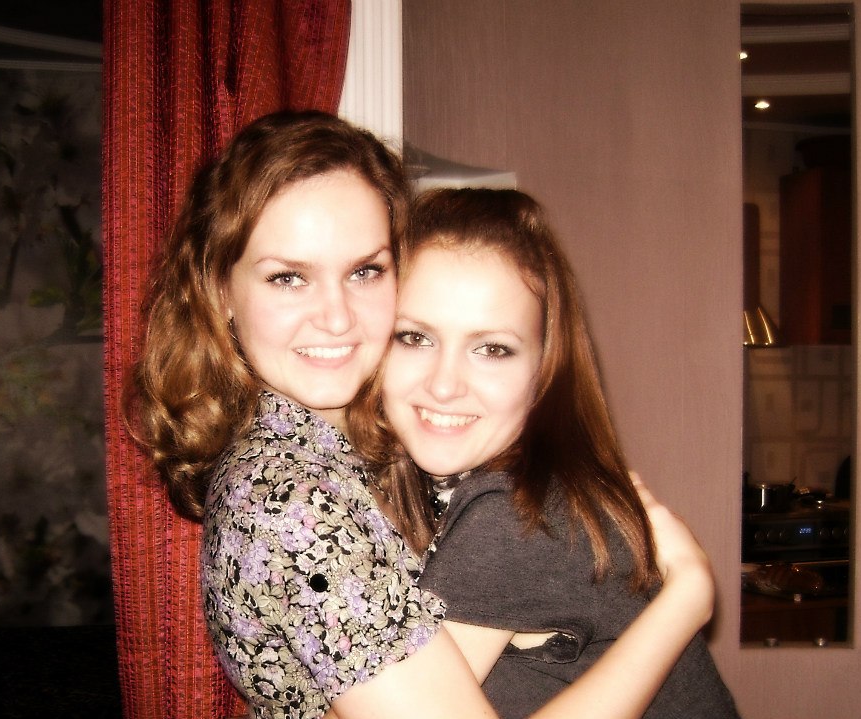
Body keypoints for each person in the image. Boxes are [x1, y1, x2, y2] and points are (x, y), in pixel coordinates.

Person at [130, 110, 718, 719]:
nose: (336, 317)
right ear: (220, 289)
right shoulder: (290, 497)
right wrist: (685, 601)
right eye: (288, 278)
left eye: (364, 271)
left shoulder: (420, 477)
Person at [361, 188, 740, 718]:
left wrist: (688, 599)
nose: (444, 385)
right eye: (415, 337)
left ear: (545, 369)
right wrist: (685, 600)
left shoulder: (513, 515)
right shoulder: (449, 494)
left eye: (492, 349)